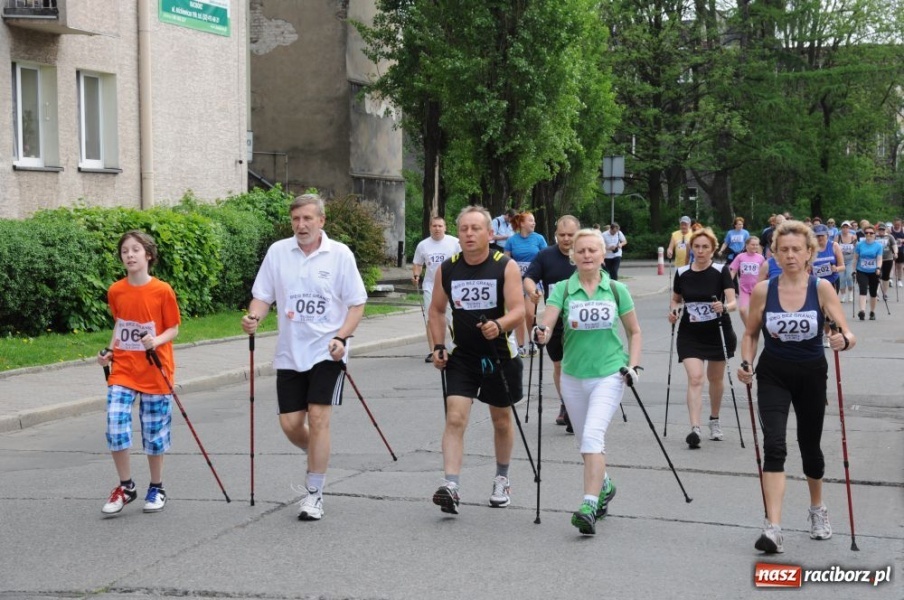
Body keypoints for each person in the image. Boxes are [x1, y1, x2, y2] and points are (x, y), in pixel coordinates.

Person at [241, 193, 367, 521]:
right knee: (291, 424)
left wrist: (342, 336)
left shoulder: (339, 255)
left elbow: (357, 303)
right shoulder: (278, 252)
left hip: (328, 350)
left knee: (319, 417)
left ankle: (314, 492)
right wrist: (254, 317)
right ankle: (318, 453)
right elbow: (262, 296)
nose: (301, 225)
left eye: (308, 219)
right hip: (290, 352)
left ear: (321, 221)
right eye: (296, 219)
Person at [737, 220, 856, 554]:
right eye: (783, 249)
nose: (790, 255)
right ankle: (773, 527)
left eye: (796, 250)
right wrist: (746, 363)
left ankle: (817, 508)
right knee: (774, 444)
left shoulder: (821, 288)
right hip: (773, 373)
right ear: (773, 253)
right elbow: (750, 334)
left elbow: (847, 333)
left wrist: (840, 339)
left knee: (810, 448)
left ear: (809, 253)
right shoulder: (764, 290)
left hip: (811, 373)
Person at [533, 229, 642, 535]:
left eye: (593, 250)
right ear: (573, 256)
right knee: (584, 443)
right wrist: (541, 332)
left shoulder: (617, 290)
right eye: (581, 251)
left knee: (593, 437)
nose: (587, 255)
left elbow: (634, 331)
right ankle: (605, 485)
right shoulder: (564, 291)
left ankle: (588, 505)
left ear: (603, 254)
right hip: (572, 376)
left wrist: (634, 366)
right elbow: (549, 322)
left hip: (609, 374)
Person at [429, 205, 526, 514]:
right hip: (464, 356)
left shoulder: (504, 265)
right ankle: (451, 485)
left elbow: (518, 310)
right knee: (455, 417)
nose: (469, 234)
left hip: (499, 355)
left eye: (476, 228)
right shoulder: (449, 267)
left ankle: (502, 478)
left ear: (489, 233)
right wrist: (438, 346)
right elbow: (436, 310)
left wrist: (499, 325)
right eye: (465, 229)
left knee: (500, 421)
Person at [97, 230, 182, 516]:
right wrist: (108, 351)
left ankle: (156, 487)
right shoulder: (116, 290)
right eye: (125, 251)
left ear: (148, 255)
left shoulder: (162, 290)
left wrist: (155, 341)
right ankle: (126, 486)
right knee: (115, 423)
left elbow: (173, 328)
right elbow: (121, 326)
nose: (130, 255)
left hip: (156, 370)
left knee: (154, 432)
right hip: (123, 369)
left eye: (135, 250)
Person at [668, 227, 737, 449]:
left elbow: (734, 302)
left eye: (705, 247)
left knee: (715, 379)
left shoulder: (721, 270)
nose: (700, 251)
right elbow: (676, 300)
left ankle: (714, 420)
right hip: (691, 333)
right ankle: (695, 428)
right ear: (691, 249)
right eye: (696, 247)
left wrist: (724, 307)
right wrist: (674, 311)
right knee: (696, 378)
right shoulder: (682, 273)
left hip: (718, 331)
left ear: (712, 249)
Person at [523, 215, 581, 431]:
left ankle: (577, 405)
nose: (566, 239)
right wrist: (532, 291)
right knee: (559, 364)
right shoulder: (546, 255)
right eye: (562, 235)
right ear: (555, 235)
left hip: (581, 321)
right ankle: (566, 403)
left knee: (576, 363)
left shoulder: (584, 254)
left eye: (570, 235)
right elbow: (529, 278)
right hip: (554, 320)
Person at [412, 216, 460, 362]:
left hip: (451, 285)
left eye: (440, 226)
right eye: (434, 226)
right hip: (431, 286)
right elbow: (418, 264)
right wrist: (416, 275)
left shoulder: (455, 242)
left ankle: (454, 348)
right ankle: (433, 350)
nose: (437, 228)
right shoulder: (423, 245)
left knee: (452, 319)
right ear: (430, 228)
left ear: (445, 227)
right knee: (431, 318)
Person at [504, 211, 547, 357]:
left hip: (533, 281)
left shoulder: (539, 239)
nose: (534, 223)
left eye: (534, 221)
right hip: (516, 282)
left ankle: (532, 341)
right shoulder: (511, 240)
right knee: (518, 314)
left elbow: (545, 259)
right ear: (522, 223)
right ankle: (521, 345)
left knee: (529, 314)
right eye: (530, 221)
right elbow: (506, 261)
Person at [729, 236, 765, 326]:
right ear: (747, 245)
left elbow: (765, 273)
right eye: (753, 245)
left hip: (756, 289)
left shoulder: (760, 258)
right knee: (742, 310)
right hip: (744, 288)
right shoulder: (740, 257)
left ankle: (756, 329)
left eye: (757, 245)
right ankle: (748, 328)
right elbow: (733, 270)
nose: (755, 247)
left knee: (757, 312)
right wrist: (728, 284)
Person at [852, 224, 882, 321]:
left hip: (874, 271)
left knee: (873, 293)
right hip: (862, 270)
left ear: (874, 234)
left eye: (871, 233)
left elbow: (879, 258)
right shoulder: (860, 244)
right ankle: (862, 311)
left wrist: (878, 268)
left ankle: (872, 311)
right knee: (863, 289)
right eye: (866, 233)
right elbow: (855, 258)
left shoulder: (878, 246)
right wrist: (853, 270)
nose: (868, 234)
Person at [875, 222, 898, 300]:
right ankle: (876, 293)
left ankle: (884, 293)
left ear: (885, 230)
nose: (881, 231)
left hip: (888, 258)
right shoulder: (875, 236)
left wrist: (895, 253)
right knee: (877, 276)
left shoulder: (889, 237)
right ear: (878, 230)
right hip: (877, 259)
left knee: (886, 277)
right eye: (880, 229)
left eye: (883, 229)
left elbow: (894, 246)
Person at [836, 221, 857, 303]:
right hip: (840, 260)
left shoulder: (853, 237)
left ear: (849, 228)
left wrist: (856, 259)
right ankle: (843, 295)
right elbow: (834, 247)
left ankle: (850, 293)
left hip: (850, 260)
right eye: (843, 227)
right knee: (841, 278)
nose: (845, 229)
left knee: (849, 276)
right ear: (841, 228)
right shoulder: (838, 237)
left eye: (847, 227)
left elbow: (856, 248)